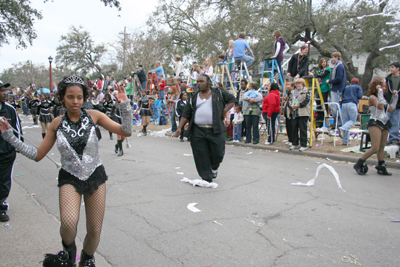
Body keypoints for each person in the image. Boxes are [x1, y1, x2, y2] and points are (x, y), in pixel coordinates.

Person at [0, 75, 133, 266]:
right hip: (69, 178)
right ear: (63, 97)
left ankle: (87, 259)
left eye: (79, 97)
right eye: (70, 97)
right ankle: (69, 254)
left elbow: (126, 131)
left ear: (84, 97)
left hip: (95, 176)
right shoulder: (56, 123)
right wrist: (9, 136)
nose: (75, 101)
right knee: (69, 224)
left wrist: (125, 105)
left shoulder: (95, 115)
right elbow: (37, 154)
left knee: (94, 229)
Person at [175, 74, 236, 183]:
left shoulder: (218, 92)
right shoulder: (194, 96)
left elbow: (232, 99)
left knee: (218, 153)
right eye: (198, 81)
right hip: (198, 130)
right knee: (200, 154)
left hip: (215, 129)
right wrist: (180, 127)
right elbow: (186, 113)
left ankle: (214, 167)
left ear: (208, 82)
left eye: (201, 81)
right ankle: (206, 178)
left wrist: (224, 110)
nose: (199, 83)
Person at [353, 78, 398, 175]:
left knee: (381, 147)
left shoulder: (383, 97)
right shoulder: (373, 97)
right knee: (375, 147)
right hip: (375, 123)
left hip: (385, 123)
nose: (385, 88)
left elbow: (390, 110)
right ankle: (359, 163)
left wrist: (395, 97)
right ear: (377, 87)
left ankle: (381, 166)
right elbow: (380, 106)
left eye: (385, 87)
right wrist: (380, 92)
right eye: (383, 86)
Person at [0, 80, 23, 222]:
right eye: (1, 90)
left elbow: (17, 129)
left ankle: (1, 207)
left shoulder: (10, 109)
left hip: (6, 152)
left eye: (5, 90)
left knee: (4, 181)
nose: (5, 93)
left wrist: (18, 147)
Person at [339, 78, 363, 145]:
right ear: (357, 83)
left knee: (347, 123)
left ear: (351, 82)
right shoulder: (358, 87)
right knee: (352, 121)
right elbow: (360, 96)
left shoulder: (346, 87)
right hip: (352, 104)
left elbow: (342, 95)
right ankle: (342, 128)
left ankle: (345, 141)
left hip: (344, 104)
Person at [289, 78, 311, 152]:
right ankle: (295, 143)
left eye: (299, 83)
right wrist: (291, 105)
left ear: (302, 84)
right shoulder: (293, 92)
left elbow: (306, 101)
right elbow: (289, 100)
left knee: (303, 129)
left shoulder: (306, 92)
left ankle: (303, 144)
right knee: (294, 128)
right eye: (297, 84)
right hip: (294, 112)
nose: (298, 85)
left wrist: (298, 105)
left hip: (303, 113)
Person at [310, 58, 331, 127]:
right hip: (320, 86)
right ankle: (319, 115)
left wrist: (315, 75)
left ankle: (325, 113)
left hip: (325, 87)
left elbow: (323, 75)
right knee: (318, 101)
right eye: (322, 62)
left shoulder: (327, 69)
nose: (323, 63)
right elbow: (319, 76)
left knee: (324, 101)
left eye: (324, 62)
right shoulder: (320, 70)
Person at [327, 52, 346, 126]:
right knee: (334, 106)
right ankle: (336, 122)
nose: (332, 59)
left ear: (337, 57)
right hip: (336, 88)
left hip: (337, 89)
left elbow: (338, 78)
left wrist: (330, 81)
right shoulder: (337, 66)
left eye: (332, 57)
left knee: (335, 106)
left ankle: (338, 122)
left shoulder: (339, 66)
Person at [385, 62, 400, 145]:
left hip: (397, 105)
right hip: (389, 103)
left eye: (393, 67)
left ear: (398, 69)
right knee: (387, 120)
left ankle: (393, 138)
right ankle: (385, 138)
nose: (391, 69)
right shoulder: (388, 79)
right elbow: (386, 90)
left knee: (395, 122)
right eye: (390, 67)